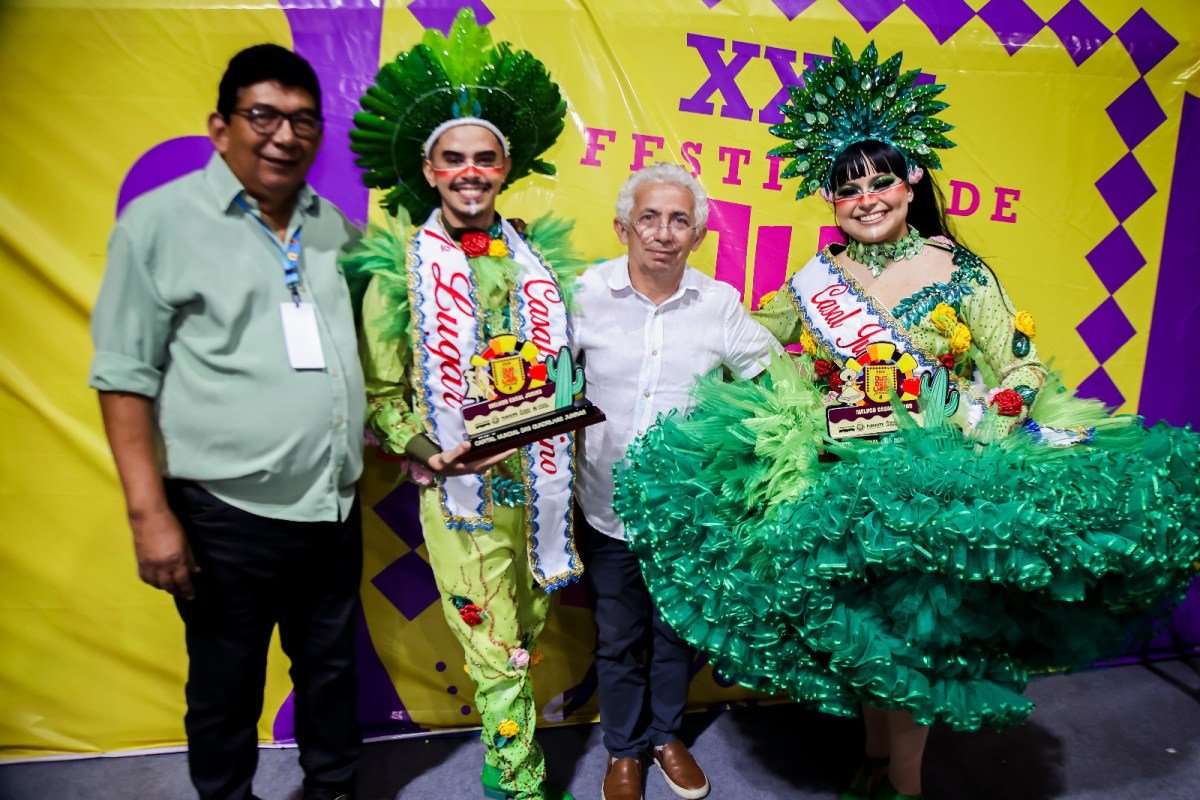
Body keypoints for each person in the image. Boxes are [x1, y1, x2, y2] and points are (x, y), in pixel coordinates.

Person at [612, 39, 1200, 800]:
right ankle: (875, 758)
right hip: (842, 481)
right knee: (866, 631)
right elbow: (747, 336)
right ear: (831, 200)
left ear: (911, 180)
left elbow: (1021, 367)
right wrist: (667, 299)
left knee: (916, 641)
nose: (866, 200)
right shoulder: (817, 279)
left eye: (880, 181)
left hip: (929, 487)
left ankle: (905, 783)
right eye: (847, 188)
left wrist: (987, 424)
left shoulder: (961, 270)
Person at [89, 44, 364, 800]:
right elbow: (123, 377)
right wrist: (150, 516)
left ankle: (334, 790)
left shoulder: (335, 230)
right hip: (224, 511)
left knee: (332, 672)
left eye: (303, 121)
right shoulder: (159, 224)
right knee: (225, 683)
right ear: (221, 126)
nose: (285, 136)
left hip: (332, 502)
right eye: (263, 116)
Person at [344, 11, 582, 800]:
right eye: (454, 159)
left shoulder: (539, 260)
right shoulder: (399, 272)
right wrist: (429, 453)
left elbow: (560, 374)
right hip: (460, 492)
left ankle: (499, 757)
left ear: (505, 166)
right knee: (495, 648)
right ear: (430, 168)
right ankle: (517, 783)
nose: (470, 172)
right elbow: (383, 398)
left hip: (539, 486)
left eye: (484, 158)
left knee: (527, 633)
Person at [572, 163, 778, 800]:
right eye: (650, 218)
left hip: (687, 514)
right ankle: (623, 750)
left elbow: (773, 379)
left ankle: (665, 736)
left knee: (676, 634)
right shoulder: (583, 295)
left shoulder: (718, 305)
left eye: (679, 220)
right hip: (604, 506)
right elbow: (536, 377)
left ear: (698, 235)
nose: (663, 233)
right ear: (623, 228)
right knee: (617, 639)